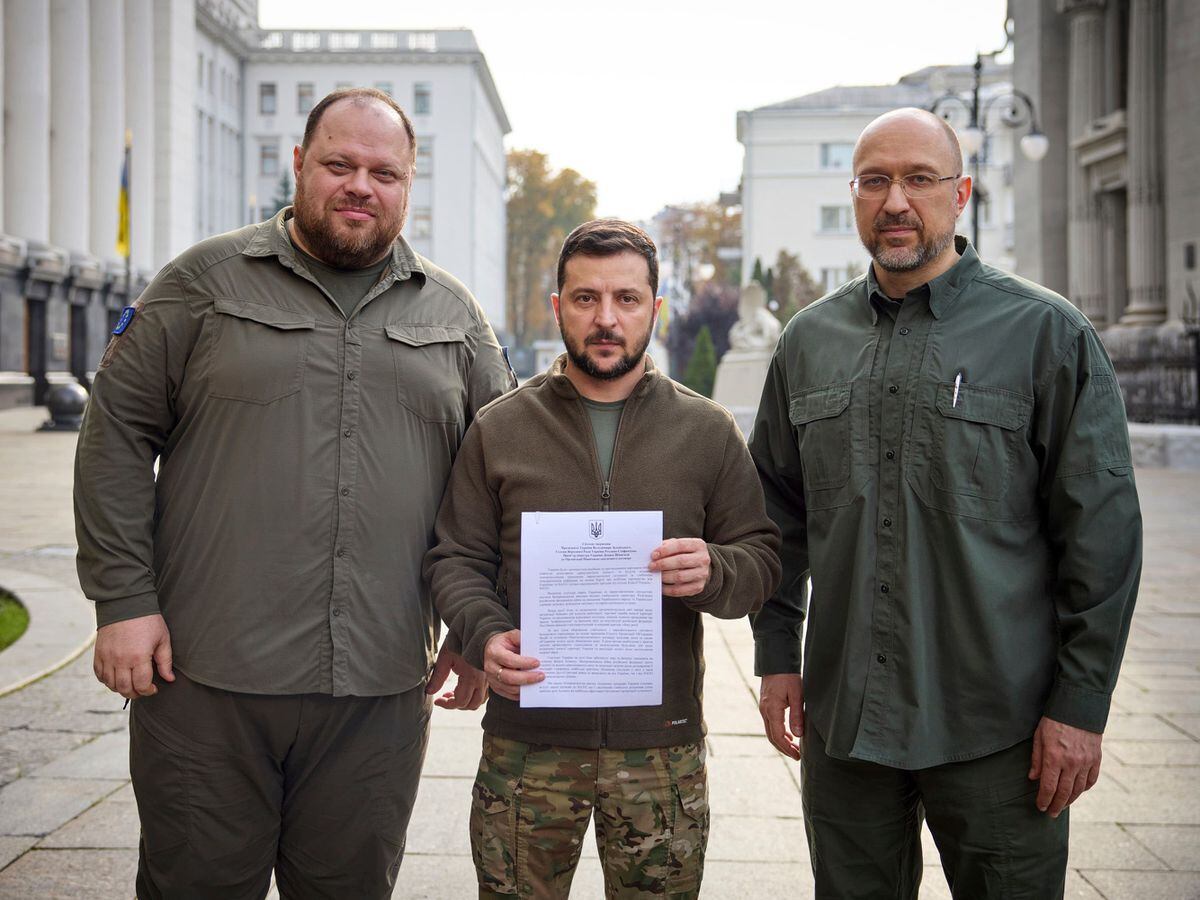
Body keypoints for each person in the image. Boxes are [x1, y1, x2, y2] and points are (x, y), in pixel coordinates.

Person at [74, 87, 514, 898]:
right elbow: (117, 435)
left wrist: (476, 622)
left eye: (384, 172)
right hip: (206, 680)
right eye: (340, 164)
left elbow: (499, 484)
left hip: (378, 691)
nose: (360, 186)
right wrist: (123, 601)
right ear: (300, 164)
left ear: (408, 183)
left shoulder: (455, 318)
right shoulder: (202, 285)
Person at [750, 108, 1142, 899]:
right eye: (874, 181)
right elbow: (775, 516)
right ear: (855, 195)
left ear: (960, 194)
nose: (896, 201)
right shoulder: (807, 341)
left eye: (919, 179)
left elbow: (1101, 534)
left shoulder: (1045, 333)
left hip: (1001, 732)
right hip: (847, 725)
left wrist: (1081, 705)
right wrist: (775, 654)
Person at [425, 218, 781, 899]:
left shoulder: (706, 431)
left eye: (627, 299)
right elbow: (456, 557)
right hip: (527, 747)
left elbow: (760, 560)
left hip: (660, 749)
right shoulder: (500, 428)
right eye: (586, 299)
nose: (607, 318)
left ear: (656, 307)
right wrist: (484, 632)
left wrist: (715, 569)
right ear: (558, 307)